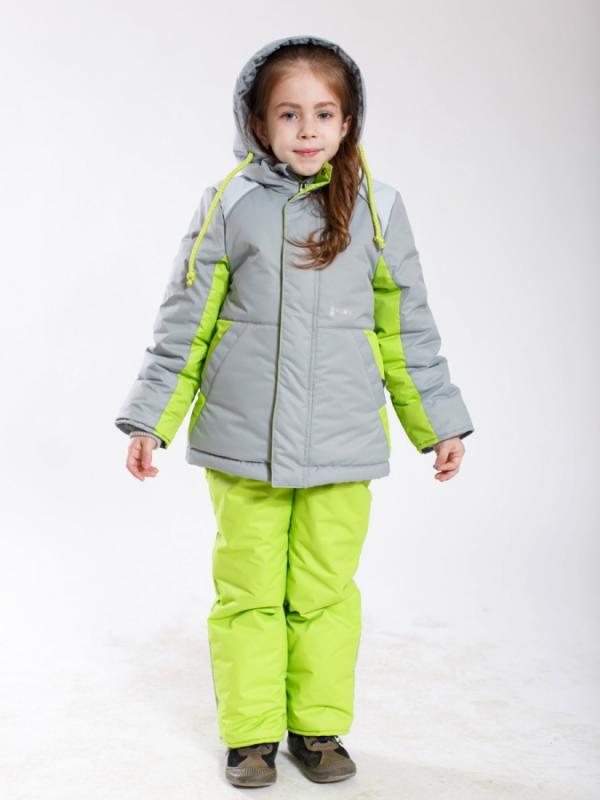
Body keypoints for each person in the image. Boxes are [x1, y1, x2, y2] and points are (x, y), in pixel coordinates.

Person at [114, 34, 474, 788]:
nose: (307, 130)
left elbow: (406, 327)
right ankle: (251, 738)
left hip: (343, 443)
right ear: (257, 121)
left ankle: (317, 729)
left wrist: (437, 421)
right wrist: (152, 418)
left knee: (324, 594)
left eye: (324, 114)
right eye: (289, 114)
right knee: (248, 593)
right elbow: (185, 320)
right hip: (243, 443)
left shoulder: (379, 209)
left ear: (348, 122)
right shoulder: (228, 203)